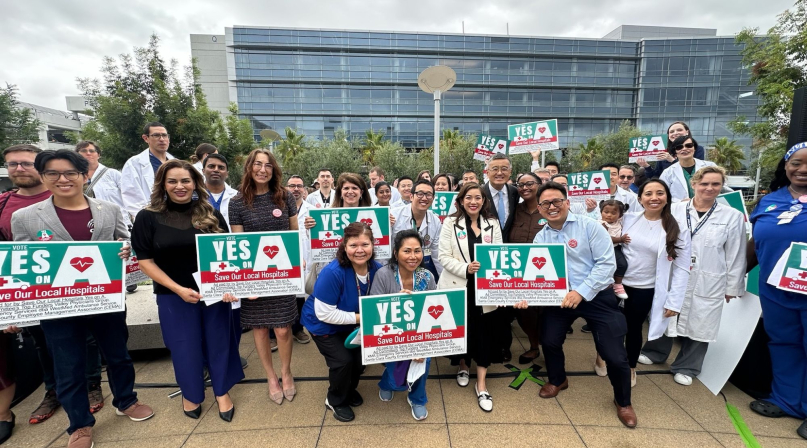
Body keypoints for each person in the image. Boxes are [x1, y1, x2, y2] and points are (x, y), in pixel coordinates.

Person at [12, 149, 154, 448]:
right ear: (43, 176)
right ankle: (79, 424)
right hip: (58, 306)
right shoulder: (24, 217)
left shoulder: (108, 209)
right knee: (69, 365)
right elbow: (21, 265)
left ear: (84, 175)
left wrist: (126, 250)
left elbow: (124, 239)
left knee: (118, 355)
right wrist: (16, 314)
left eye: (70, 173)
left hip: (104, 299)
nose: (63, 179)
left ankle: (125, 400)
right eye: (53, 173)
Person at [0, 145, 105, 427]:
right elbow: (13, 259)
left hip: (89, 291)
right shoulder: (6, 206)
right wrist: (13, 311)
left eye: (25, 163)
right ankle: (52, 391)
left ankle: (93, 385)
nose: (19, 169)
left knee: (88, 341)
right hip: (42, 294)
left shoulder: (83, 200)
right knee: (43, 345)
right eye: (12, 164)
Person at [131, 159, 242, 422]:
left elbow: (227, 252)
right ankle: (191, 392)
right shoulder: (147, 217)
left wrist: (228, 286)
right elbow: (144, 261)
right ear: (163, 184)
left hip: (213, 294)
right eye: (173, 181)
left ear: (195, 183)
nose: (180, 186)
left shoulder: (210, 213)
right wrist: (178, 289)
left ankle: (222, 390)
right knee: (184, 347)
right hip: (173, 296)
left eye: (185, 181)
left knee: (220, 342)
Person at [531, 181, 636, 428]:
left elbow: (607, 265)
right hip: (560, 298)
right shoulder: (540, 236)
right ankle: (558, 380)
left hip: (596, 295)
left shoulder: (590, 227)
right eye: (546, 203)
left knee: (615, 355)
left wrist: (581, 291)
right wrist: (527, 294)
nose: (552, 206)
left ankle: (623, 402)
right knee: (550, 340)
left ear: (567, 203)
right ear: (539, 208)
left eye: (557, 201)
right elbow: (538, 274)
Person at [638, 166, 746, 386]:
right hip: (674, 270)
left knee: (703, 321)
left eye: (715, 184)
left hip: (709, 277)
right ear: (694, 184)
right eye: (704, 183)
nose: (709, 188)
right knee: (664, 311)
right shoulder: (675, 209)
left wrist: (732, 287)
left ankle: (687, 366)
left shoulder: (732, 216)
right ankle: (655, 352)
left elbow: (736, 252)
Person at [746, 142, 807, 439]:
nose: (803, 169)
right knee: (783, 343)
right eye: (796, 162)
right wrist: (735, 277)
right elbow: (755, 245)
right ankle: (786, 399)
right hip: (776, 291)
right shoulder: (770, 201)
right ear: (786, 166)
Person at [228, 149, 299, 405]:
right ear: (249, 167)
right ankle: (271, 377)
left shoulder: (285, 197)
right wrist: (244, 282)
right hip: (254, 276)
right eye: (257, 164)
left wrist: (297, 263)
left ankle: (286, 371)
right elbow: (238, 243)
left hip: (281, 274)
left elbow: (294, 236)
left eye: (268, 165)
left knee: (282, 329)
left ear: (274, 170)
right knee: (259, 329)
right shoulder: (236, 203)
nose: (262, 169)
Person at [437, 182, 510, 412]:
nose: (473, 202)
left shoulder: (493, 224)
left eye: (478, 197)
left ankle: (481, 384)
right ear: (460, 200)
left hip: (486, 288)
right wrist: (466, 268)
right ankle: (462, 364)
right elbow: (443, 256)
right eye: (468, 197)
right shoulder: (450, 223)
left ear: (484, 200)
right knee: (462, 328)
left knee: (484, 332)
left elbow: (499, 254)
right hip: (459, 284)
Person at [301, 222, 382, 422]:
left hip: (351, 323)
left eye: (365, 244)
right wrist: (362, 318)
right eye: (354, 245)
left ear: (373, 245)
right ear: (344, 247)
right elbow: (324, 313)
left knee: (360, 360)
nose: (360, 250)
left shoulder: (377, 268)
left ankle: (347, 389)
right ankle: (335, 399)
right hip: (323, 323)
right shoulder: (333, 272)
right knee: (343, 362)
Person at [620, 179, 691, 387]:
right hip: (617, 285)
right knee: (611, 327)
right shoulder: (628, 219)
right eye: (648, 194)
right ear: (640, 198)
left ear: (667, 197)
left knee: (633, 329)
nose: (654, 198)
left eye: (659, 193)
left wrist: (674, 301)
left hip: (645, 289)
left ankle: (630, 367)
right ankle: (605, 358)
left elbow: (682, 268)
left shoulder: (676, 228)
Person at [370, 230, 435, 421]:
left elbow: (434, 313)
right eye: (407, 251)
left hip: (419, 332)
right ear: (396, 252)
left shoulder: (427, 277)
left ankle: (417, 399)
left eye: (417, 251)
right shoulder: (383, 274)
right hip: (391, 333)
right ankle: (386, 383)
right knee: (395, 374)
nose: (413, 256)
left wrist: (420, 346)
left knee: (424, 361)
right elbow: (375, 312)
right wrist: (397, 302)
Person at [509, 172, 546, 365]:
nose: (525, 188)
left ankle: (549, 346)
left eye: (530, 183)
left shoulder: (549, 209)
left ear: (540, 184)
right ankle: (533, 346)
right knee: (525, 312)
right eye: (520, 185)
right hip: (518, 272)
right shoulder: (515, 210)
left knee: (547, 312)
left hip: (546, 272)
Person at [121, 122, 175, 220]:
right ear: (146, 138)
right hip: (151, 217)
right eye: (156, 135)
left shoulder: (175, 162)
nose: (162, 139)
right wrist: (146, 218)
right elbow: (131, 195)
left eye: (164, 135)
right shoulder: (134, 163)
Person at [391, 180, 443, 280]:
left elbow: (437, 254)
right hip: (394, 267)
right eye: (419, 194)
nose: (424, 198)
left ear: (433, 198)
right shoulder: (393, 215)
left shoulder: (435, 221)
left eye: (428, 195)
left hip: (420, 268)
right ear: (411, 197)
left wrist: (445, 281)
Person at [75, 141, 131, 228]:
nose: (88, 153)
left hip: (115, 222)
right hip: (85, 222)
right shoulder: (72, 175)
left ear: (99, 155)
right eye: (83, 150)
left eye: (92, 151)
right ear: (77, 154)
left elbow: (130, 196)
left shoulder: (113, 174)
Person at [284, 175, 312, 345]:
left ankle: (298, 330)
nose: (295, 189)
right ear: (286, 188)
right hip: (283, 256)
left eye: (299, 186)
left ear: (304, 189)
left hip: (304, 257)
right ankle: (275, 334)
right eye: (292, 186)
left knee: (300, 296)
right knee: (281, 294)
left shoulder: (311, 209)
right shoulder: (278, 207)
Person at [637, 121, 706, 178]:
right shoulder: (664, 152)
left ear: (687, 132)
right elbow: (656, 175)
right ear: (668, 136)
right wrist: (646, 166)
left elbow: (696, 172)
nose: (675, 133)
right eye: (672, 132)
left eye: (679, 130)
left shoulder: (697, 149)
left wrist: (672, 160)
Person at [660, 136, 717, 202]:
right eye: (679, 147)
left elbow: (722, 187)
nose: (684, 149)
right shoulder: (667, 173)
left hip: (709, 206)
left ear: (694, 149)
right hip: (680, 209)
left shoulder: (710, 166)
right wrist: (679, 202)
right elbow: (662, 193)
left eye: (689, 145)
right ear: (675, 152)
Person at [202, 153, 238, 226]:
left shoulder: (237, 196)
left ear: (227, 174)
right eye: (211, 166)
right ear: (203, 171)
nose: (216, 170)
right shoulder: (194, 195)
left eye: (221, 168)